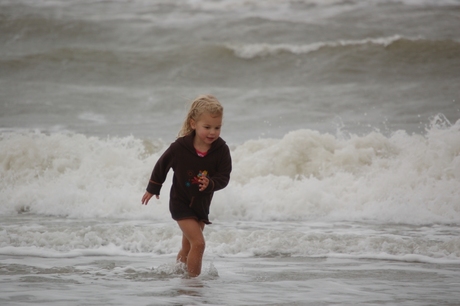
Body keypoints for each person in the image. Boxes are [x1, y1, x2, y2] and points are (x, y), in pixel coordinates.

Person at [141, 94, 232, 277]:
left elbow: (224, 177)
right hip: (180, 202)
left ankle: (178, 275)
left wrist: (211, 183)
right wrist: (153, 187)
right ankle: (193, 285)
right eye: (207, 127)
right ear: (193, 124)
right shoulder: (180, 147)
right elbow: (162, 165)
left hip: (201, 204)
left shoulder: (221, 149)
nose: (212, 132)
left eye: (217, 127)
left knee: (188, 245)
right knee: (199, 243)